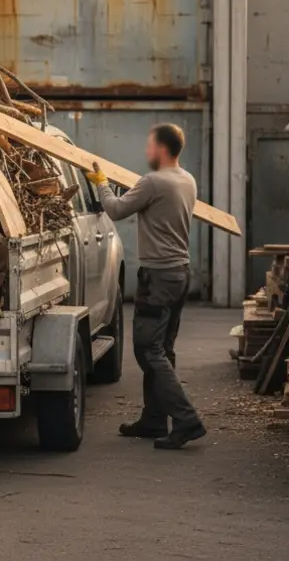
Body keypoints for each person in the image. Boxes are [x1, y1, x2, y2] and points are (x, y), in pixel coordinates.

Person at [85, 123, 206, 449]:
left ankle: (185, 419)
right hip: (179, 273)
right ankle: (154, 420)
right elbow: (146, 205)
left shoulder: (153, 181)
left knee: (147, 349)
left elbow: (116, 209)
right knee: (163, 349)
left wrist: (102, 185)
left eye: (150, 146)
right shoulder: (186, 179)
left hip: (158, 278)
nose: (146, 151)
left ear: (162, 149)